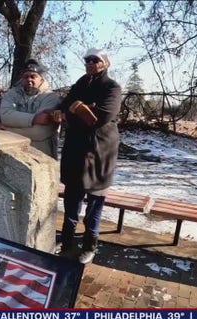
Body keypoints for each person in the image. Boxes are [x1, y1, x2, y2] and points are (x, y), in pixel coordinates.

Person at [58, 48, 122, 264]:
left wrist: (79, 111)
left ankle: (90, 245)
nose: (91, 63)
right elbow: (65, 107)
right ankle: (67, 241)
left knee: (95, 201)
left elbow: (101, 118)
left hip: (99, 151)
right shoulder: (80, 83)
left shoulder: (112, 87)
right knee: (71, 197)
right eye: (87, 60)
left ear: (105, 63)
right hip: (76, 147)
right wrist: (79, 110)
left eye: (95, 60)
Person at [0, 59, 61, 158]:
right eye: (26, 76)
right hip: (15, 153)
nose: (29, 80)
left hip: (42, 154)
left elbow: (39, 132)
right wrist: (34, 119)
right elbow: (5, 116)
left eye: (33, 76)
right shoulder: (12, 94)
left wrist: (7, 129)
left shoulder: (51, 97)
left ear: (41, 79)